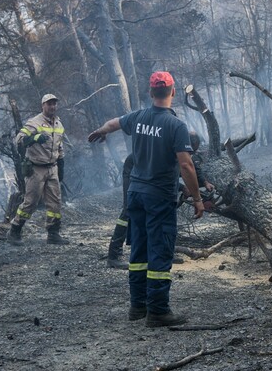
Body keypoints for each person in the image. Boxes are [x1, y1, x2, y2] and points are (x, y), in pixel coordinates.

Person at [88, 71, 204, 328]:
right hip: (159, 197)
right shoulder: (176, 125)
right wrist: (197, 198)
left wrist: (101, 131)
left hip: (136, 195)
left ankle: (137, 306)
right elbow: (186, 165)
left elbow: (113, 123)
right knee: (160, 251)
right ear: (173, 92)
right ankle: (158, 311)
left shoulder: (138, 118)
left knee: (139, 251)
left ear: (151, 93)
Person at [106, 132, 213, 270]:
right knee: (129, 210)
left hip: (153, 173)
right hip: (134, 168)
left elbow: (191, 165)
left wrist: (204, 181)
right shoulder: (165, 149)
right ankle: (113, 256)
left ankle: (164, 252)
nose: (191, 154)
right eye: (190, 151)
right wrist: (182, 188)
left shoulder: (181, 149)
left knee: (163, 210)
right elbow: (162, 174)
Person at [6, 94, 69, 245]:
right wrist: (34, 138)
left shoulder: (59, 124)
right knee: (31, 202)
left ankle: (53, 233)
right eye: (49, 104)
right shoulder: (34, 123)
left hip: (52, 167)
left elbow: (60, 147)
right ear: (43, 106)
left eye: (54, 104)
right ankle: (14, 230)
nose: (52, 107)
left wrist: (61, 166)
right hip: (36, 169)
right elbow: (19, 140)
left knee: (55, 202)